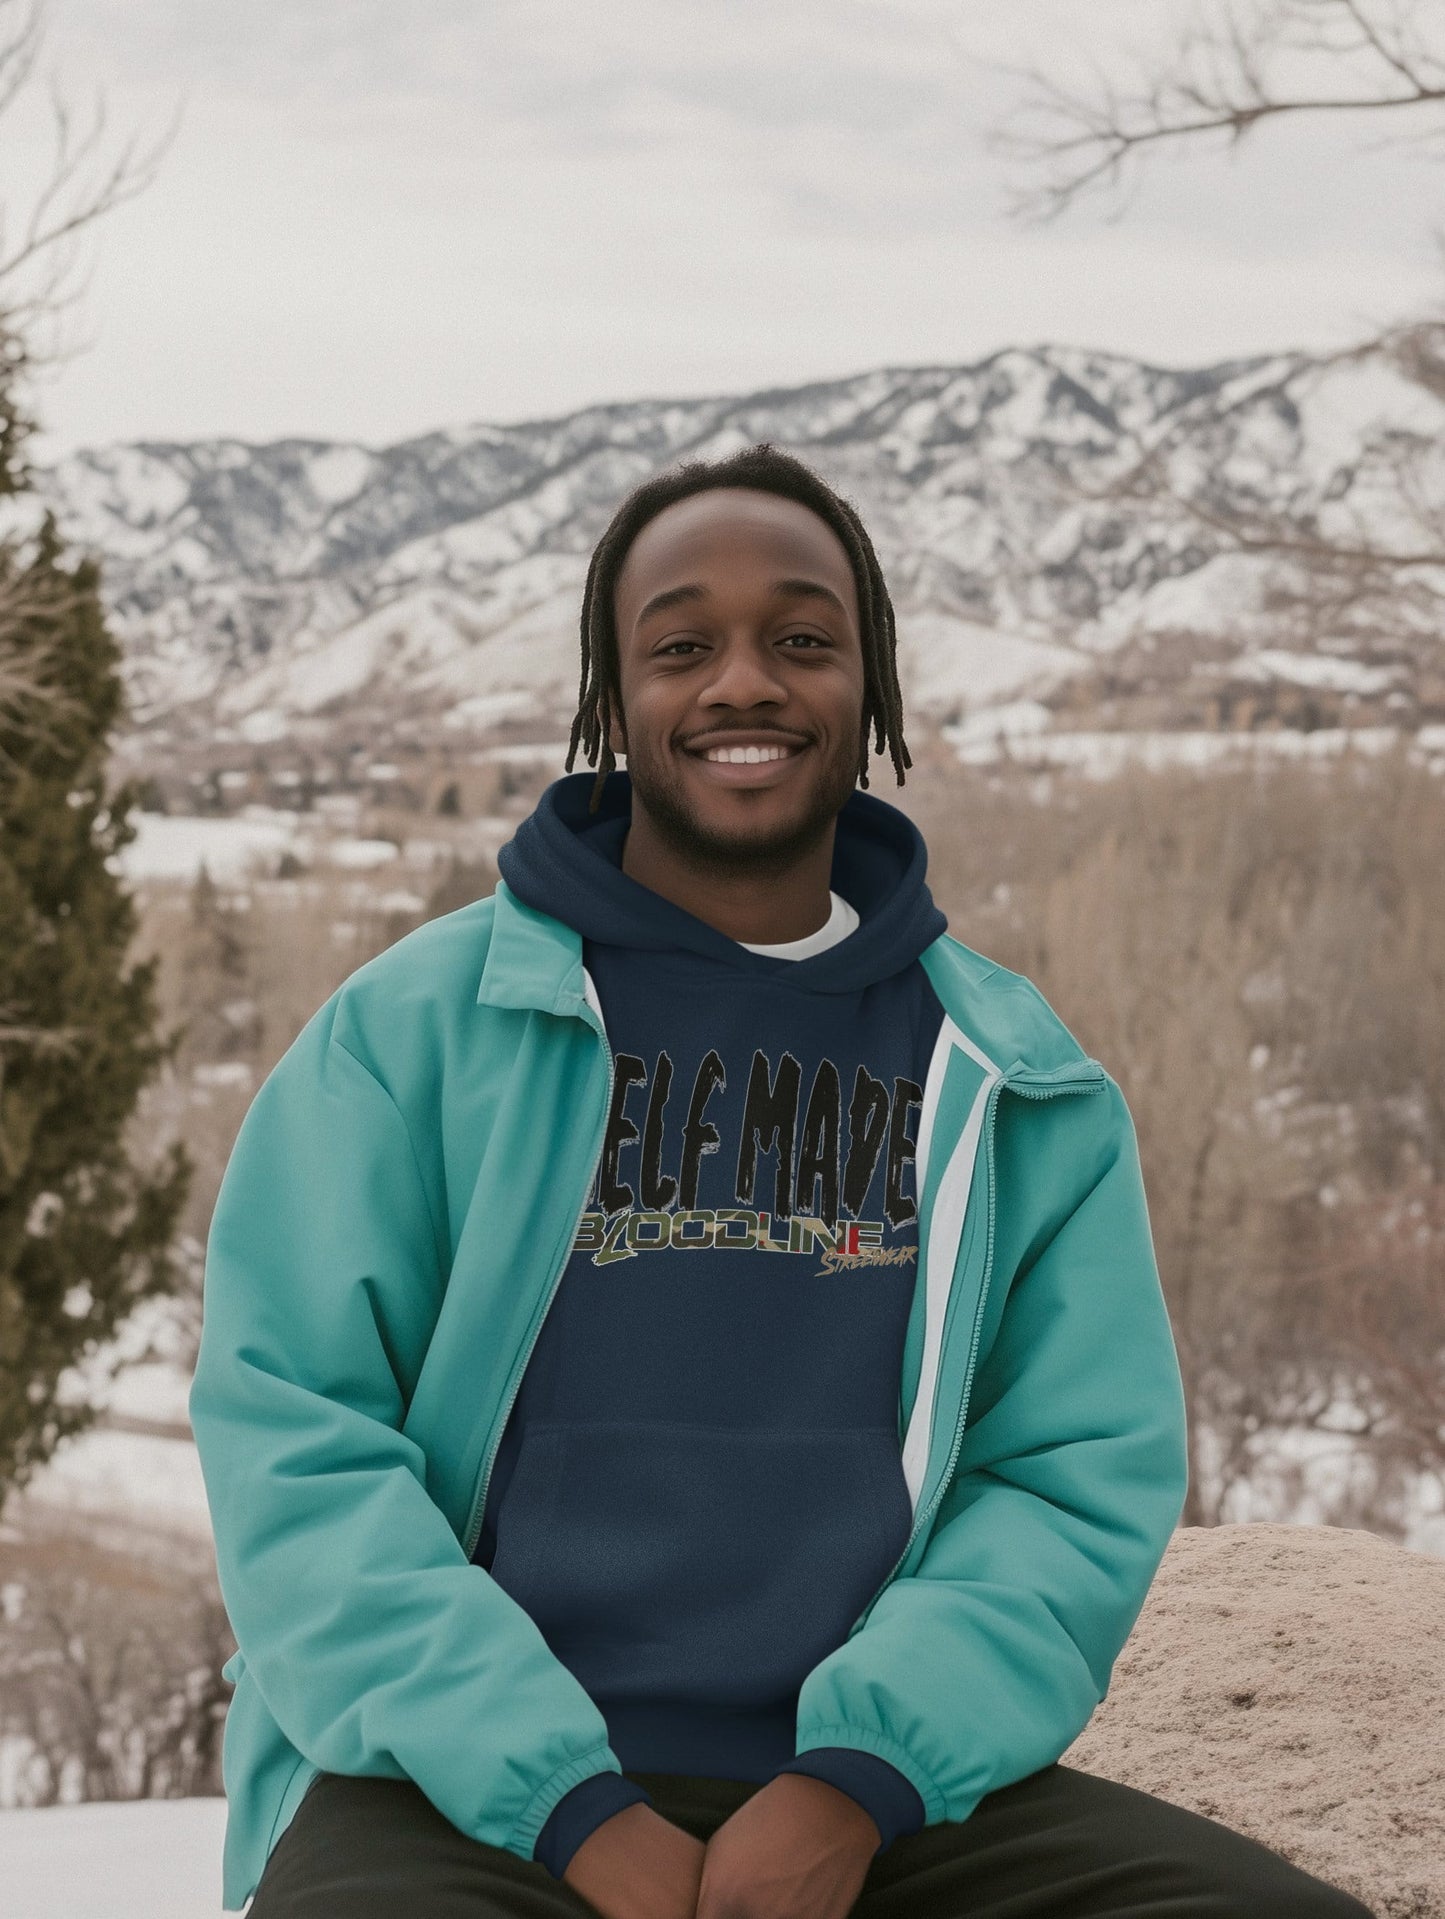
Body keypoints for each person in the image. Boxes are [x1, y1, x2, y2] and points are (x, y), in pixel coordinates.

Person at [190, 443, 1373, 1919]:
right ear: (612, 699)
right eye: (681, 645)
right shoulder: (414, 1035)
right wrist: (563, 1803)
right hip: (457, 1789)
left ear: (868, 687)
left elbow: (1064, 1480)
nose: (742, 683)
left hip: (877, 1801)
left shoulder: (1010, 1080)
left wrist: (850, 1784)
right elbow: (295, 1445)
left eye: (801, 641)